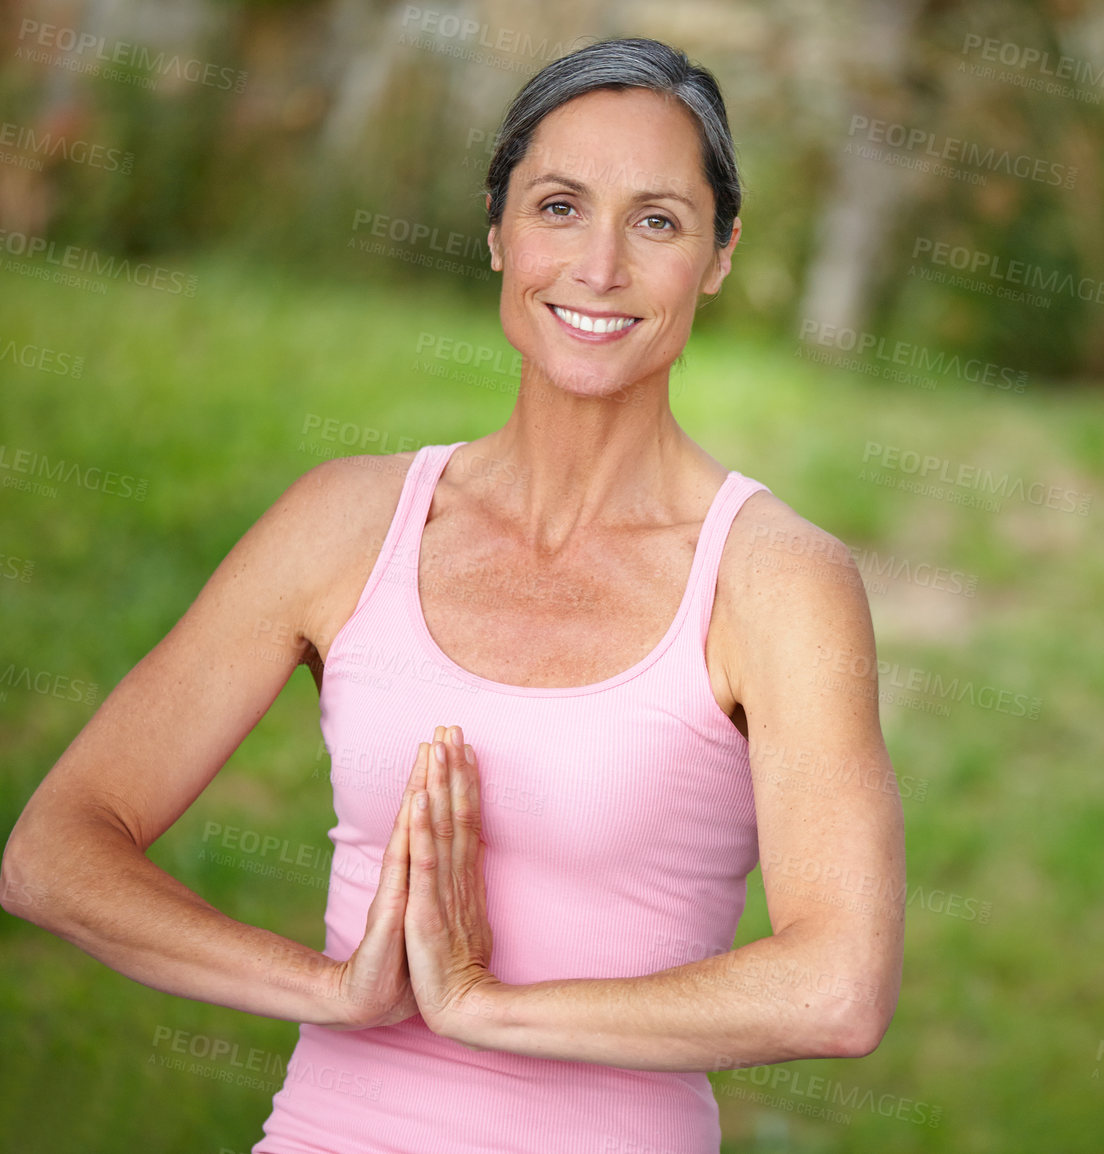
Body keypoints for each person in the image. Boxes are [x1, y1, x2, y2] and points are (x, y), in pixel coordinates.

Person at [0, 36, 905, 1154]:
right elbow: (54, 851)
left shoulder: (774, 579)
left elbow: (838, 984)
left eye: (658, 219)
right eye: (560, 205)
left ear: (718, 255)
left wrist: (487, 1006)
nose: (600, 265)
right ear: (497, 230)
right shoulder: (346, 522)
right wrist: (335, 989)